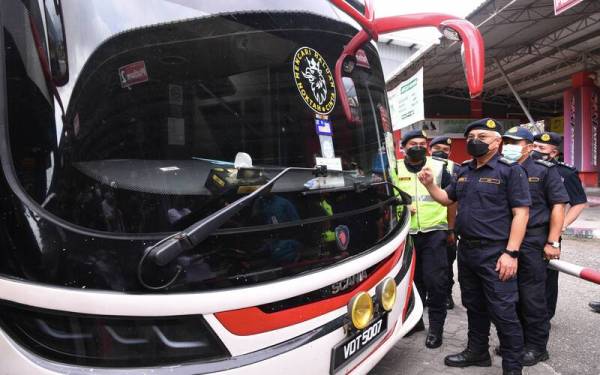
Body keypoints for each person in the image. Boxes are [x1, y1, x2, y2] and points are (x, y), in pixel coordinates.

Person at [418, 118, 530, 375]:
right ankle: (477, 352)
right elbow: (447, 199)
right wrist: (430, 185)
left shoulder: (509, 171)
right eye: (470, 138)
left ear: (497, 142)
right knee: (474, 305)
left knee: (503, 311)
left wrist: (511, 253)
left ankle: (513, 368)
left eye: (482, 136)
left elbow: (521, 214)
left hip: (496, 253)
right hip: (467, 251)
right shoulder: (464, 170)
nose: (474, 141)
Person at [501, 127, 569, 366]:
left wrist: (552, 241)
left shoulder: (544, 171)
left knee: (532, 297)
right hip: (506, 241)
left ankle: (537, 347)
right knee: (510, 296)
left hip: (532, 241)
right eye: (506, 141)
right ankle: (517, 341)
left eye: (515, 142)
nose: (508, 145)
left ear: (529, 147)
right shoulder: (502, 169)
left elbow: (558, 207)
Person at [394, 129, 451, 349]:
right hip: (405, 234)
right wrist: (402, 204)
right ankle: (415, 321)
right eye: (412, 143)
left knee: (436, 283)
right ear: (404, 147)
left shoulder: (439, 166)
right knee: (411, 282)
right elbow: (387, 195)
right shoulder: (394, 167)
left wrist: (452, 229)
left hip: (434, 233)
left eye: (422, 143)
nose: (418, 146)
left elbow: (451, 199)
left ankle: (436, 329)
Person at [532, 132, 588, 320]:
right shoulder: (524, 168)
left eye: (541, 148)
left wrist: (562, 225)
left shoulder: (565, 173)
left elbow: (579, 202)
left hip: (549, 232)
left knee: (548, 274)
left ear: (554, 153)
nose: (535, 150)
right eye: (534, 146)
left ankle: (545, 315)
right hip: (525, 230)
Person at [430, 135, 459, 309]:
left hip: (449, 225)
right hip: (427, 225)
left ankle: (447, 294)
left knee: (447, 264)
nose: (441, 152)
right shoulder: (423, 167)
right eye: (437, 148)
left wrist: (452, 229)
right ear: (429, 149)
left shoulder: (458, 169)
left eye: (446, 150)